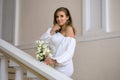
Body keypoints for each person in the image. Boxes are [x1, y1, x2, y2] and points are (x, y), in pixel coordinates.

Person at [40, 7, 76, 77]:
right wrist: (53, 30)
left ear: (67, 17)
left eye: (62, 16)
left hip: (63, 66)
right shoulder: (54, 29)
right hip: (54, 64)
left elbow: (69, 51)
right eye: (57, 17)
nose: (59, 19)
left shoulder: (69, 29)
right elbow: (42, 41)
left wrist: (55, 60)